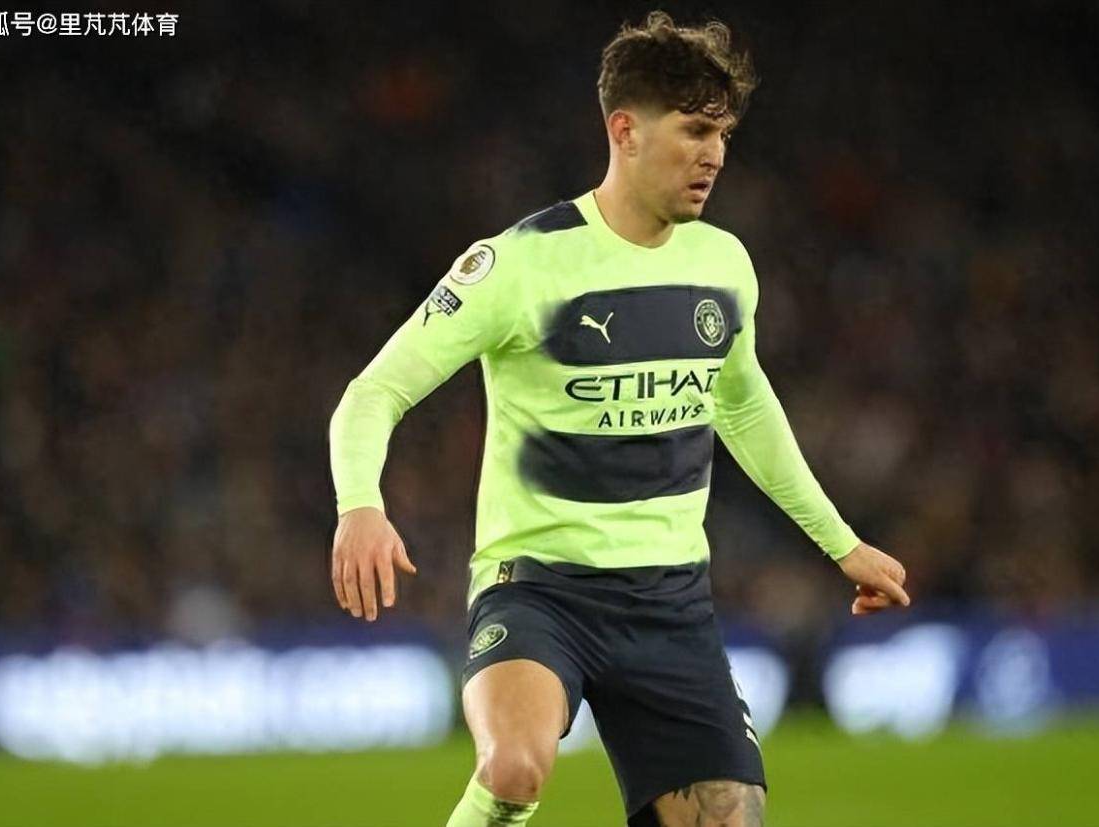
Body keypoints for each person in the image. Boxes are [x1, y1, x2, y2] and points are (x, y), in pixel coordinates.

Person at [328, 11, 911, 826]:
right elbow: (374, 391)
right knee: (516, 764)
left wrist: (840, 542)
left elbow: (744, 405)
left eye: (723, 135)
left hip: (671, 599)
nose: (715, 154)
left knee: (728, 815)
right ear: (626, 130)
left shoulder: (723, 264)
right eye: (695, 130)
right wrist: (360, 503)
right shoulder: (521, 263)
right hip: (539, 589)